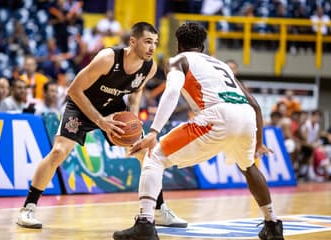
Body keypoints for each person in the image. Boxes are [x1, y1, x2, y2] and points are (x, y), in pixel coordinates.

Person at [113, 22, 284, 240]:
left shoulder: (178, 60)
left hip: (217, 116)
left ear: (179, 44)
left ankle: (145, 223)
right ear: (202, 46)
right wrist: (258, 142)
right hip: (246, 116)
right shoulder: (220, 64)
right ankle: (273, 223)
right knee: (248, 167)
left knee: (153, 156)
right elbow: (255, 104)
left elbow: (172, 91)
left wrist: (154, 131)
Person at [17, 22, 187, 229]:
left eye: (155, 43)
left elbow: (135, 92)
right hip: (82, 105)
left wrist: (133, 119)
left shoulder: (149, 68)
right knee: (58, 152)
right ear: (133, 41)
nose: (153, 47)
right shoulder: (108, 58)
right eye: (148, 42)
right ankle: (28, 208)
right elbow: (74, 90)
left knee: (147, 154)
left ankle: (159, 210)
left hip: (113, 109)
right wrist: (100, 121)